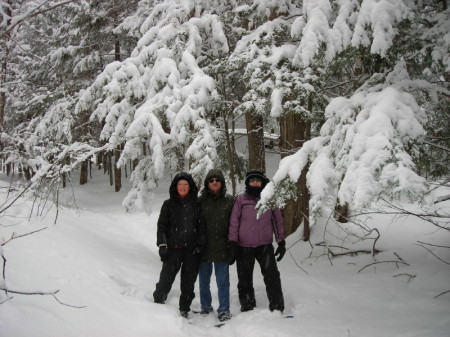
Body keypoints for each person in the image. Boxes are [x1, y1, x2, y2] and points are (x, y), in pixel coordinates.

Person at [228, 170, 286, 313]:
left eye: (257, 180)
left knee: (272, 275)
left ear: (262, 182)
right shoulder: (241, 199)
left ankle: (277, 305)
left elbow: (277, 220)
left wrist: (281, 241)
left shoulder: (269, 198)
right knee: (244, 277)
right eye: (251, 180)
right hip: (244, 246)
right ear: (247, 183)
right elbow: (234, 222)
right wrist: (233, 242)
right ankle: (247, 303)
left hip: (264, 246)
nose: (254, 183)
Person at [153, 172, 206, 318]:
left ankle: (184, 308)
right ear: (175, 187)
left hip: (191, 251)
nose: (182, 187)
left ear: (190, 187)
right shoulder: (168, 204)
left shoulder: (197, 205)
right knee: (165, 279)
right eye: (180, 184)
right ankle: (158, 302)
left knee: (188, 283)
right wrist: (162, 245)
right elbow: (162, 226)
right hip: (172, 251)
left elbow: (202, 227)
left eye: (185, 184)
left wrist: (200, 245)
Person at [198, 169, 235, 322]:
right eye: (211, 180)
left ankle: (224, 310)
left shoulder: (230, 201)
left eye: (217, 180)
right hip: (204, 248)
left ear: (222, 182)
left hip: (223, 248)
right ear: (207, 183)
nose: (214, 182)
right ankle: (205, 306)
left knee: (223, 283)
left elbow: (235, 224)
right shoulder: (199, 201)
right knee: (203, 282)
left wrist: (233, 245)